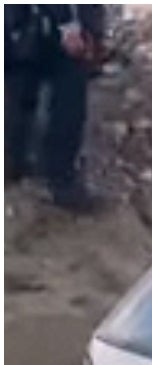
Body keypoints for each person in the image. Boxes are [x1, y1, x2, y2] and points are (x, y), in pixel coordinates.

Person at [5, 5, 106, 213]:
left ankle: (16, 164)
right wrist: (68, 25)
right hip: (38, 24)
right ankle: (61, 182)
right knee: (66, 100)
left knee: (20, 93)